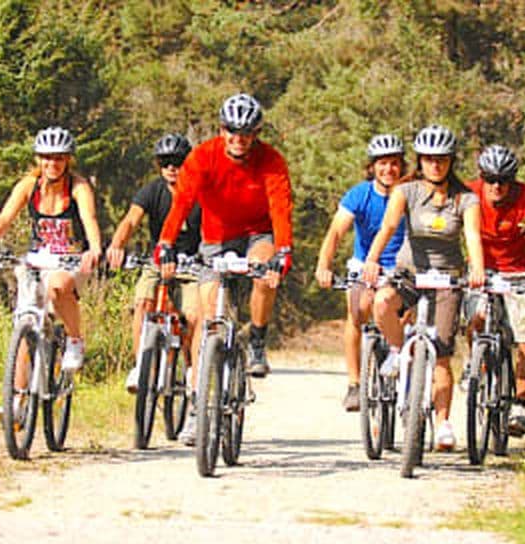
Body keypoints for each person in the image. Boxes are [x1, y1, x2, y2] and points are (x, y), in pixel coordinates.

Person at [156, 92, 293, 444]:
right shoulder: (203, 157)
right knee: (206, 318)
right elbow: (182, 202)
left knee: (265, 272)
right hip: (215, 239)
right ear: (221, 129)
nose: (238, 139)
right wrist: (166, 243)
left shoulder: (271, 160)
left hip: (256, 235)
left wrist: (283, 251)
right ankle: (197, 406)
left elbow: (280, 207)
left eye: (246, 133)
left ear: (256, 134)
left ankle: (258, 340)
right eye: (232, 131)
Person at [362, 124, 484, 451]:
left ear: (451, 161)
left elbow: (472, 236)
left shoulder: (466, 198)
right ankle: (399, 351)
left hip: (447, 278)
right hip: (411, 272)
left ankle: (443, 423)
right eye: (429, 159)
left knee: (442, 354)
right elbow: (388, 227)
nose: (435, 165)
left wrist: (477, 269)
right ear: (420, 160)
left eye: (442, 159)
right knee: (383, 302)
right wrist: (372, 261)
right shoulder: (407, 191)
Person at [0, 126, 102, 371]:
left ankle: (75, 340)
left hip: (71, 260)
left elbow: (90, 218)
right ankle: (17, 401)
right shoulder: (28, 186)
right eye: (47, 157)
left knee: (58, 287)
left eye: (59, 158)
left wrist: (94, 249)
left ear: (68, 160)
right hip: (38, 258)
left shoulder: (78, 187)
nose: (53, 163)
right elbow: (5, 217)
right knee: (25, 322)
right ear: (38, 159)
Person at [464, 144, 525, 437]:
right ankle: (473, 363)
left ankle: (519, 406)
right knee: (475, 315)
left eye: (503, 180)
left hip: (521, 273)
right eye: (490, 179)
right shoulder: (470, 193)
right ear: (482, 177)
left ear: (513, 180)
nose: (497, 186)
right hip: (483, 270)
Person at [315, 134, 407, 412]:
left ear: (402, 166)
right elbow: (335, 232)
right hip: (364, 266)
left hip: (401, 267)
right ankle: (355, 384)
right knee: (357, 311)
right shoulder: (360, 194)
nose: (388, 170)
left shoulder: (410, 194)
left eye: (394, 164)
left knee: (407, 314)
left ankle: (404, 368)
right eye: (382, 164)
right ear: (372, 167)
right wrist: (324, 265)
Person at [106, 133, 201, 394]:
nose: (172, 168)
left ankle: (193, 367)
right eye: (165, 162)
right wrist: (117, 245)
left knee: (193, 315)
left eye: (178, 161)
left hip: (193, 265)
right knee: (143, 303)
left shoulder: (200, 192)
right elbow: (130, 221)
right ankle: (140, 365)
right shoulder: (152, 190)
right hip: (158, 262)